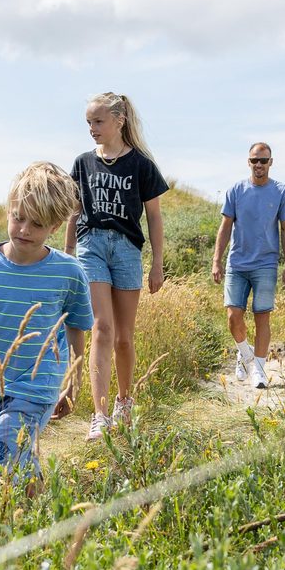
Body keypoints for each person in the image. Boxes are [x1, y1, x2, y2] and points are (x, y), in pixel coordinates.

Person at [0, 162, 93, 498]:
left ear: (55, 226)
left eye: (37, 224)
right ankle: (42, 531)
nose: (24, 229)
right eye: (18, 217)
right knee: (24, 471)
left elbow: (76, 330)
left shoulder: (68, 273)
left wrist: (72, 383)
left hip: (36, 390)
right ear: (8, 211)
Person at [65, 92, 168, 441]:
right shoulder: (82, 163)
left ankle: (125, 400)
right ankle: (100, 413)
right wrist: (67, 254)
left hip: (126, 250)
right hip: (91, 244)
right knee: (101, 329)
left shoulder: (141, 164)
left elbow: (154, 217)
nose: (92, 129)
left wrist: (157, 264)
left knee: (124, 337)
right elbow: (74, 211)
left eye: (98, 122)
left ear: (118, 121)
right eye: (89, 123)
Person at [212, 141, 285, 388]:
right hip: (237, 263)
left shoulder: (281, 192)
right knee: (232, 316)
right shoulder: (236, 190)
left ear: (271, 162)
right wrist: (216, 260)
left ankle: (258, 370)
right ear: (248, 162)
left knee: (262, 318)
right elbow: (225, 227)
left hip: (266, 264)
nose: (258, 165)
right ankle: (246, 353)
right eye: (254, 160)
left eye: (263, 160)